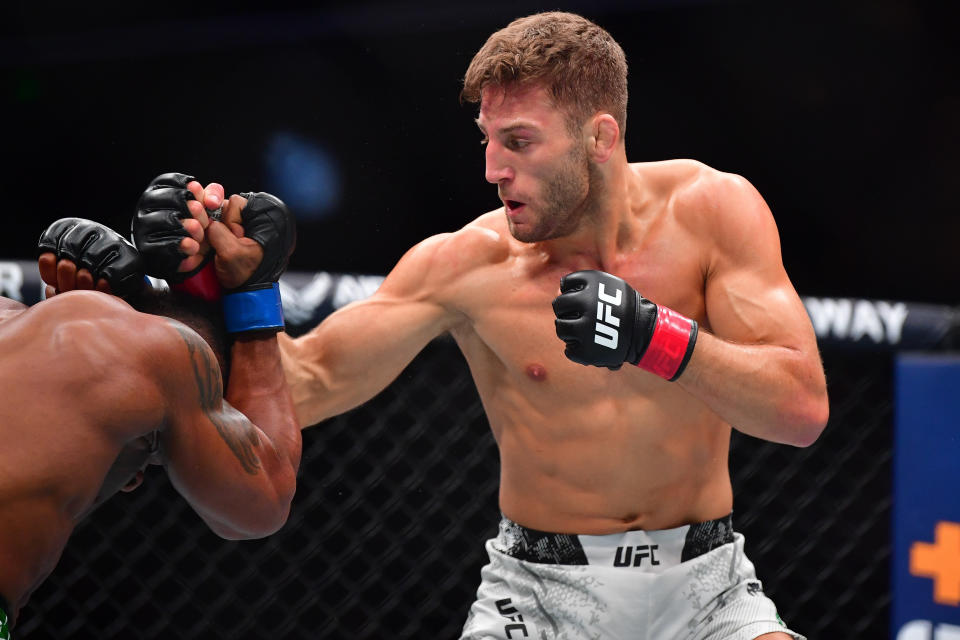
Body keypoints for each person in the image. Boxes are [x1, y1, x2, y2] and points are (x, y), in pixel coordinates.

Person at [95, 11, 828, 639]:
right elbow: (307, 384)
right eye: (486, 139)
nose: (491, 169)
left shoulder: (714, 211)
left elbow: (800, 409)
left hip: (706, 589)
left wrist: (654, 338)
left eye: (519, 141)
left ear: (599, 137)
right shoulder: (467, 264)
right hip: (540, 596)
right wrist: (227, 293)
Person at [0, 186, 301, 635]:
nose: (132, 484)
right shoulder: (160, 357)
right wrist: (253, 295)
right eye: (154, 455)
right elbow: (264, 503)